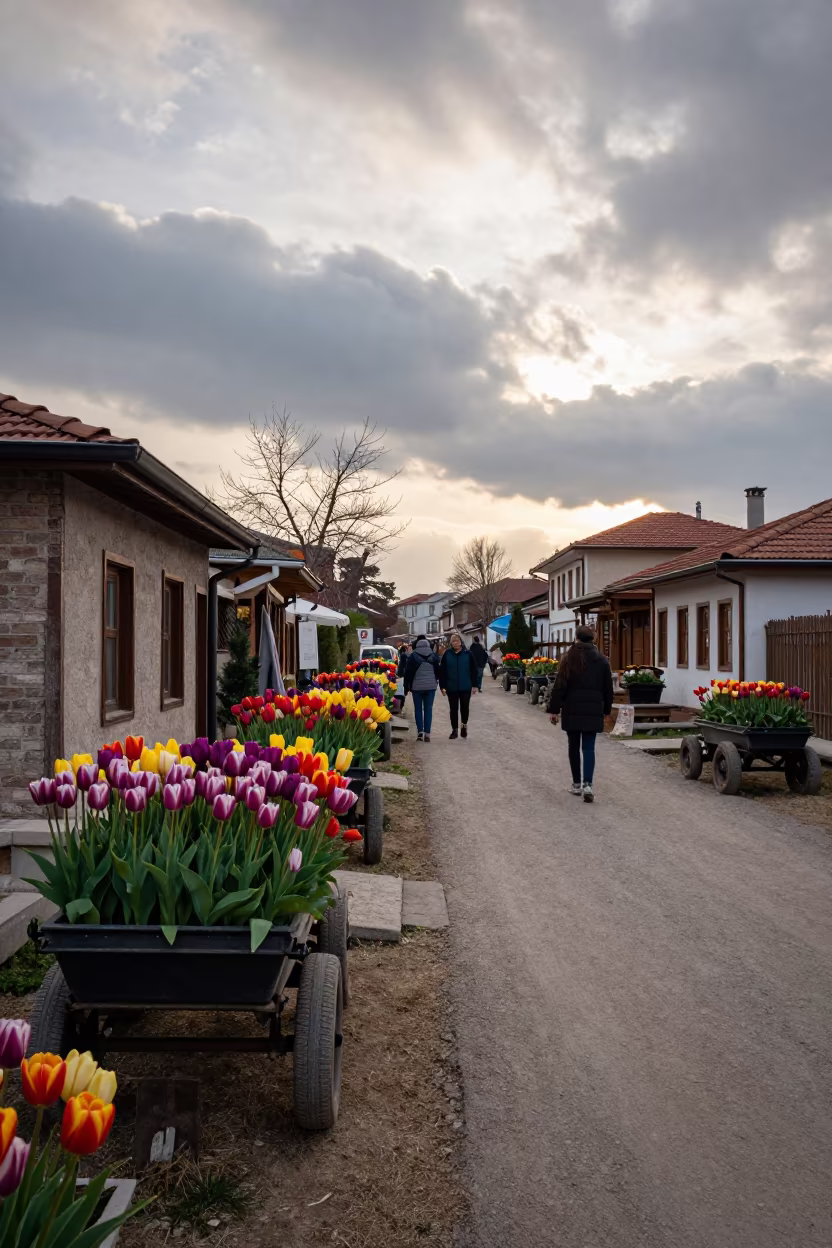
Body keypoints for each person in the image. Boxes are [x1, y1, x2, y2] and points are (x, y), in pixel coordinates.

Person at [546, 625, 613, 803]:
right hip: (593, 708)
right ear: (593, 639)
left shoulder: (568, 658)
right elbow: (608, 688)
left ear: (576, 638)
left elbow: (560, 685)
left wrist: (554, 709)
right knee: (589, 747)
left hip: (572, 707)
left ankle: (576, 784)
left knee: (573, 746)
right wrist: (607, 710)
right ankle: (588, 784)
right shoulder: (601, 660)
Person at [438, 632, 479, 739]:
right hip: (451, 687)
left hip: (465, 686)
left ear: (461, 642)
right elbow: (442, 671)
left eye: (457, 641)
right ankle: (454, 730)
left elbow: (474, 671)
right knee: (453, 709)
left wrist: (475, 685)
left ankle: (464, 726)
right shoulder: (447, 654)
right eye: (453, 641)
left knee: (465, 709)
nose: (455, 643)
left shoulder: (468, 654)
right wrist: (442, 686)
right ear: (451, 643)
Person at [403, 635, 440, 742]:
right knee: (428, 709)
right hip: (430, 687)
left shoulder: (413, 656)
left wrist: (406, 688)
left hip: (417, 687)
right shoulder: (434, 655)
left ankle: (420, 732)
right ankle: (427, 733)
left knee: (418, 709)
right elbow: (438, 671)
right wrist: (436, 680)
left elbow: (408, 673)